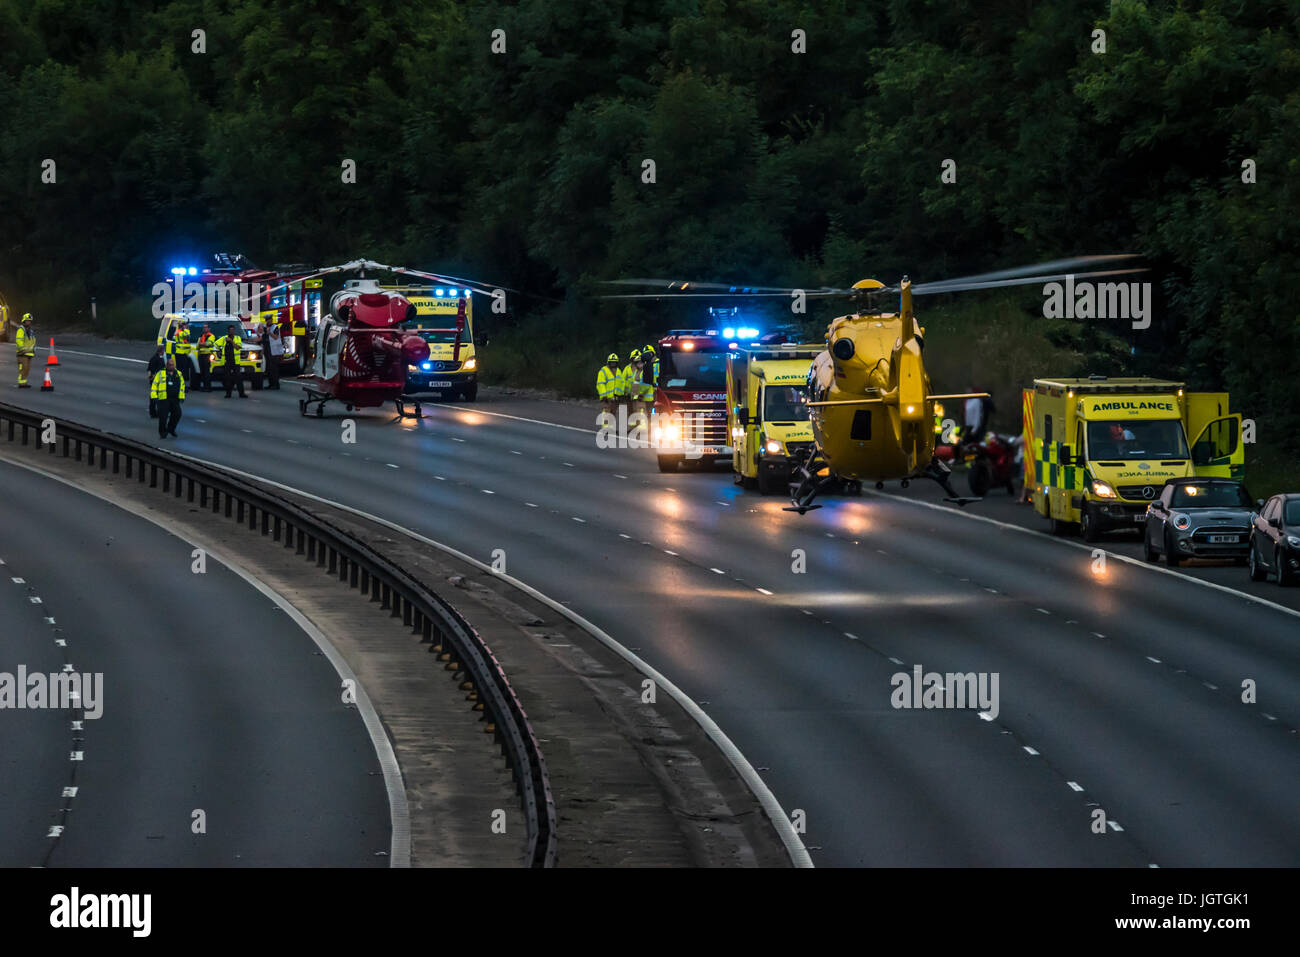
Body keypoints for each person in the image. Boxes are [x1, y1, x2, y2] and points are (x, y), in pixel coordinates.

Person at [151, 355, 186, 438]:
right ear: (166, 365)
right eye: (170, 365)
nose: (171, 366)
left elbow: (182, 386)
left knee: (177, 414)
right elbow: (154, 385)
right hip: (163, 399)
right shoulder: (160, 373)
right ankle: (162, 432)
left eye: (173, 365)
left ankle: (171, 429)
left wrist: (182, 396)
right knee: (163, 417)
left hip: (175, 399)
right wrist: (154, 396)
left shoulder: (178, 374)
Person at [218, 324, 246, 398]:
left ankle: (241, 393)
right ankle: (228, 393)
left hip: (235, 362)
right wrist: (220, 349)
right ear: (228, 331)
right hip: (227, 361)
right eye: (230, 330)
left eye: (233, 330)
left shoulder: (237, 338)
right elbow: (216, 344)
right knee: (227, 379)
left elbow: (237, 347)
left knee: (239, 378)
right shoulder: (224, 338)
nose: (231, 331)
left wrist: (231, 341)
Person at [596, 353, 621, 418]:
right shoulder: (603, 371)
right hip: (606, 399)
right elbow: (600, 384)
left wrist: (621, 395)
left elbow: (621, 384)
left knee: (613, 416)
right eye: (612, 362)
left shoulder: (619, 371)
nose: (613, 364)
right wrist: (604, 396)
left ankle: (611, 428)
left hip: (615, 399)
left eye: (614, 362)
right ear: (608, 362)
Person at [15, 313, 36, 387]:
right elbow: (18, 341)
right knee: (24, 368)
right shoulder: (21, 330)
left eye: (30, 321)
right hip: (22, 354)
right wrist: (22, 349)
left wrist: (33, 349)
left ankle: (24, 382)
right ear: (24, 321)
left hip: (29, 353)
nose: (29, 322)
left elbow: (33, 341)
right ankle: (21, 383)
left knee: (27, 369)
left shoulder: (31, 331)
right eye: (27, 321)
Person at [147, 344, 167, 417]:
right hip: (157, 381)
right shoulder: (158, 359)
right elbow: (155, 370)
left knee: (155, 396)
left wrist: (150, 378)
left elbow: (149, 369)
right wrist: (152, 378)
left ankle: (154, 412)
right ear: (161, 351)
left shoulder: (154, 358)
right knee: (158, 397)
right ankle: (156, 412)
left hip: (155, 380)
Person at [262, 321, 283, 389]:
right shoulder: (265, 329)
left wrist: (269, 333)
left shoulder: (275, 328)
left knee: (274, 369)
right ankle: (271, 384)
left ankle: (276, 384)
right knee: (268, 369)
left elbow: (276, 337)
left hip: (274, 352)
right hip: (268, 351)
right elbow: (263, 339)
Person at [196, 324, 215, 392]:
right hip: (201, 355)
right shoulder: (201, 336)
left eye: (206, 327)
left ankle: (208, 387)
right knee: (202, 372)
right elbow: (197, 346)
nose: (204, 329)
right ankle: (204, 387)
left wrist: (202, 344)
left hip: (207, 355)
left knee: (207, 372)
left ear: (209, 329)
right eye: (203, 327)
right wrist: (202, 344)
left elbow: (208, 344)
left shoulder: (211, 336)